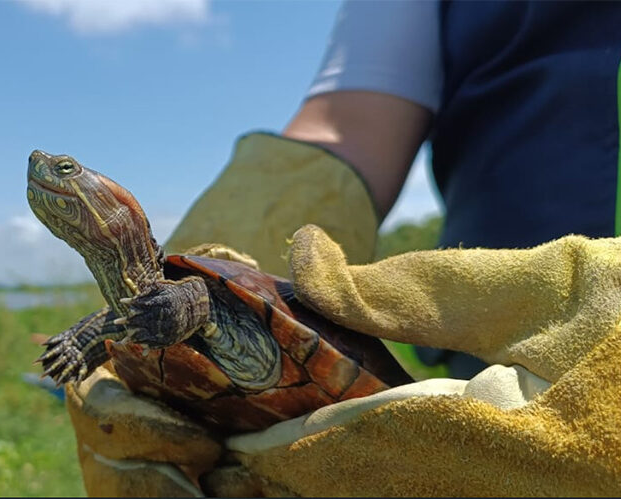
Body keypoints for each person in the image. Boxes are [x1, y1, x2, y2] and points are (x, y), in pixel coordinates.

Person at [61, 1, 621, 495]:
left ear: (118, 215)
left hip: (515, 348)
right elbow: (347, 121)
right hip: (481, 330)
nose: (47, 171)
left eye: (66, 172)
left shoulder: (175, 303)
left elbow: (194, 302)